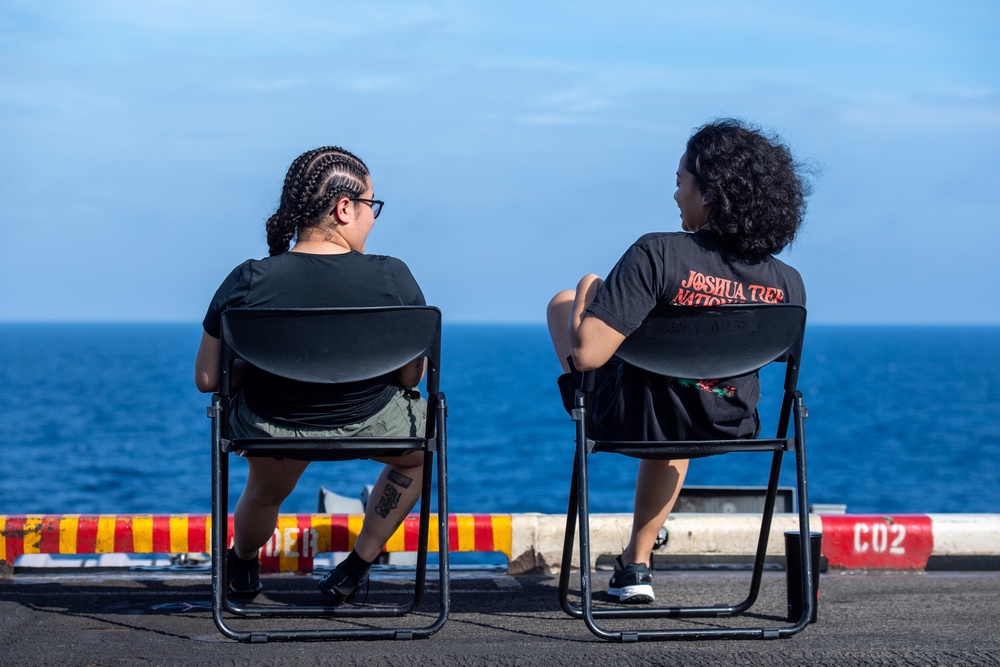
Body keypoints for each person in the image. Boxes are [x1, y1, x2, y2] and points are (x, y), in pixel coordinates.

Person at [547, 119, 809, 604]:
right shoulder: (787, 282)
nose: (675, 196)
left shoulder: (658, 253)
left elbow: (586, 354)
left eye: (680, 182)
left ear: (708, 193)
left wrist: (589, 289)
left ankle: (632, 564)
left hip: (628, 419)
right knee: (686, 392)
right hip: (727, 420)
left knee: (565, 301)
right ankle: (636, 563)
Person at [194, 146, 428, 605]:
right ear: (345, 208)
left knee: (263, 493)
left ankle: (241, 564)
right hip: (368, 423)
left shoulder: (249, 279)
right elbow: (411, 376)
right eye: (371, 205)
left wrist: (264, 365)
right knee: (419, 456)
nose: (373, 219)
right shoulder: (392, 276)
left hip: (272, 427)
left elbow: (207, 378)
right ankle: (355, 568)